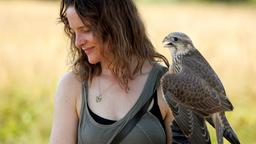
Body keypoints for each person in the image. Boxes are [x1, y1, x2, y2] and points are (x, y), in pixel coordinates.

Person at [50, 0, 189, 143]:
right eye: (74, 32)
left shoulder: (170, 85)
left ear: (114, 24)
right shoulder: (72, 86)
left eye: (85, 30)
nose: (78, 42)